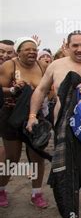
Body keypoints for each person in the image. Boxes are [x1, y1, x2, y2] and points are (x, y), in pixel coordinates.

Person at [26, 31, 81, 218]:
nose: (80, 49)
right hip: (64, 128)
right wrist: (32, 116)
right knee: (68, 170)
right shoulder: (56, 66)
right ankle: (69, 204)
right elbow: (40, 90)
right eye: (75, 45)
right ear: (67, 46)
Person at [0, 37, 49, 208]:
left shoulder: (42, 66)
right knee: (11, 157)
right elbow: (1, 90)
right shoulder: (9, 66)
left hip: (35, 116)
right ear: (18, 51)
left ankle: (36, 193)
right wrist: (14, 89)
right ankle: (2, 189)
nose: (32, 52)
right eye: (27, 49)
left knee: (37, 156)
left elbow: (49, 91)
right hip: (11, 116)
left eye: (34, 49)